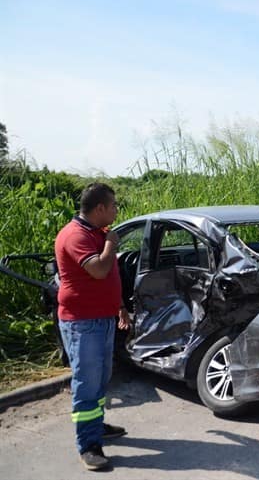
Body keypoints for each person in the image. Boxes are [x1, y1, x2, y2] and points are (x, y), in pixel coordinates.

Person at [55, 182, 131, 470]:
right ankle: (88, 445)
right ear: (100, 208)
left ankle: (95, 425)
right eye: (113, 205)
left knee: (100, 380)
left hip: (103, 319)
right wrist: (112, 242)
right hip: (82, 323)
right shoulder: (76, 235)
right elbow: (99, 270)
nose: (116, 210)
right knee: (87, 384)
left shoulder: (95, 233)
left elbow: (110, 276)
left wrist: (120, 306)